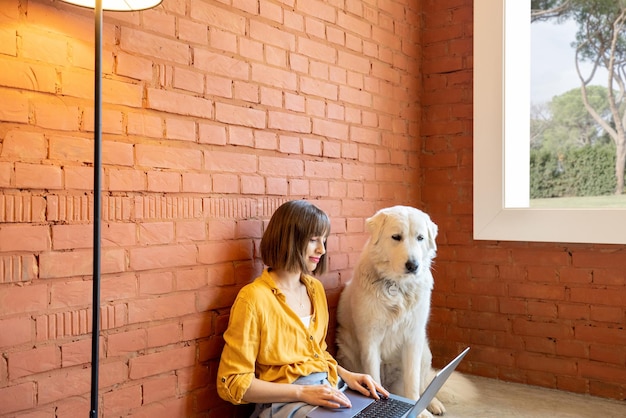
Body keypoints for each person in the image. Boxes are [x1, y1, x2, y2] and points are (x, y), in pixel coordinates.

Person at [217, 200, 389, 418]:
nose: (322, 249)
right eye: (313, 240)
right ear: (289, 240)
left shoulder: (315, 290)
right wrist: (303, 392)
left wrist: (347, 375)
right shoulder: (253, 299)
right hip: (287, 403)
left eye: (324, 240)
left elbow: (316, 354)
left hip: (329, 389)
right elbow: (232, 383)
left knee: (386, 409)